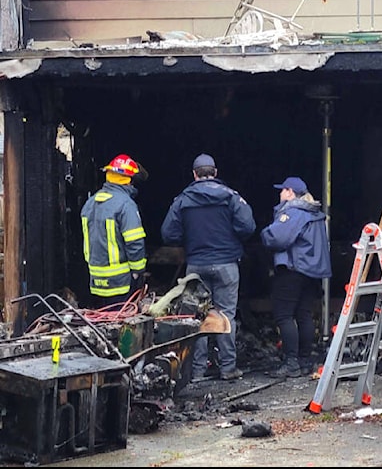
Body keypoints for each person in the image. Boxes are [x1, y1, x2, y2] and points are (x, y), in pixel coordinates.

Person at [161, 153, 256, 382]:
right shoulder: (231, 197)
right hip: (226, 264)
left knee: (197, 317)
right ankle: (228, 368)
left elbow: (168, 234)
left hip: (196, 266)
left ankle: (197, 370)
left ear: (194, 174)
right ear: (215, 172)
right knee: (226, 316)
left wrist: (189, 238)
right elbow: (248, 227)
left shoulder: (182, 200)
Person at [261, 176, 331, 379]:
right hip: (311, 272)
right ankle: (305, 360)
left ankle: (291, 362)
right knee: (304, 314)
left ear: (290, 192)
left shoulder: (294, 212)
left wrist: (264, 233)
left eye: (282, 191)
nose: (280, 194)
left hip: (293, 269)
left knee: (284, 315)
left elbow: (277, 237)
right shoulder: (315, 214)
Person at [80, 154, 149, 308]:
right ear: (130, 179)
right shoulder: (125, 205)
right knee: (123, 327)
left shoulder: (90, 203)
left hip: (96, 281)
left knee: (102, 325)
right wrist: (138, 271)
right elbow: (134, 242)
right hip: (120, 283)